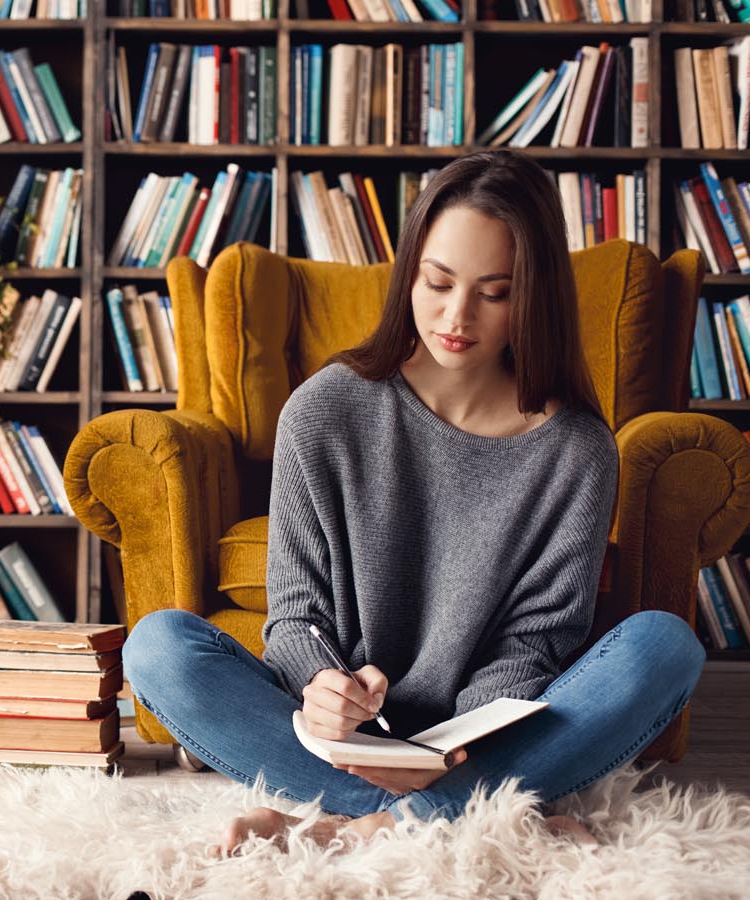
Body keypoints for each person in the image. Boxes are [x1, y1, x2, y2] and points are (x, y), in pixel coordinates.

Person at [120, 148, 707, 856]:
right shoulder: (325, 410)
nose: (457, 315)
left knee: (665, 646)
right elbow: (296, 611)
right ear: (410, 274)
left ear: (535, 296)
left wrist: (463, 741)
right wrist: (323, 685)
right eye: (437, 282)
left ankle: (357, 828)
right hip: (337, 738)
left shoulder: (576, 450)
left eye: (494, 292)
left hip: (486, 736)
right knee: (157, 647)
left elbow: (535, 641)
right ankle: (485, 813)